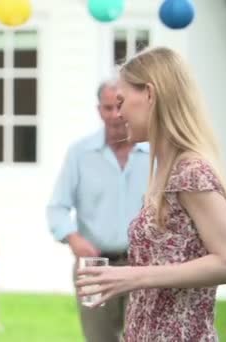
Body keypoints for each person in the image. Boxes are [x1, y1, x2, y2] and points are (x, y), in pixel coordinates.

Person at [77, 47, 226, 341]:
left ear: (151, 95)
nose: (119, 114)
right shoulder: (163, 171)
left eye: (122, 101)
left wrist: (133, 276)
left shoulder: (190, 171)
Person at [46, 80, 149, 342]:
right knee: (99, 339)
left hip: (143, 266)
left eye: (119, 106)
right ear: (98, 110)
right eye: (107, 108)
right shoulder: (80, 153)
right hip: (95, 268)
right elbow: (57, 208)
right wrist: (73, 238)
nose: (115, 115)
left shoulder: (154, 152)